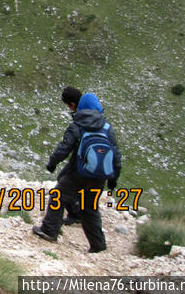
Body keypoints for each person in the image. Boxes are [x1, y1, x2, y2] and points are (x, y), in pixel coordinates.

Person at [32, 87, 121, 253]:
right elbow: (115, 155)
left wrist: (52, 163)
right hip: (99, 176)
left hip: (78, 173)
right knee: (90, 207)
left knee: (58, 195)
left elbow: (64, 148)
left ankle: (49, 230)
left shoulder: (77, 125)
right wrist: (113, 178)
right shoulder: (107, 128)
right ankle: (98, 246)